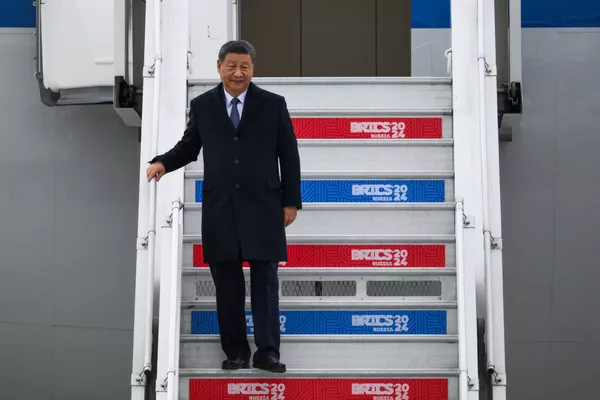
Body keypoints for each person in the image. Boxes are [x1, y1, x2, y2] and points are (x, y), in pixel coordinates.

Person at [146, 40, 301, 373]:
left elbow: (289, 156)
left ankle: (268, 353)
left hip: (263, 206)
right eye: (231, 65)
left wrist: (290, 201)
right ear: (219, 67)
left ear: (252, 69)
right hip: (220, 208)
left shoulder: (273, 105)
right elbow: (189, 148)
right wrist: (162, 162)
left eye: (244, 66)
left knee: (265, 283)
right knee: (227, 286)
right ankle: (236, 352)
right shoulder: (203, 106)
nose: (238, 73)